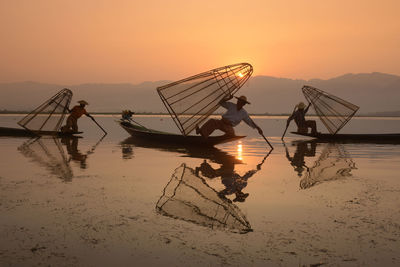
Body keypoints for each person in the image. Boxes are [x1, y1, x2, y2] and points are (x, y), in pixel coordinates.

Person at [196, 95, 263, 138]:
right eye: (238, 100)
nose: (239, 102)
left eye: (241, 102)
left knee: (231, 134)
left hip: (229, 126)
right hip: (221, 122)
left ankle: (217, 138)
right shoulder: (231, 105)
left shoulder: (244, 113)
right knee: (212, 121)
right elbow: (220, 102)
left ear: (244, 104)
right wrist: (228, 98)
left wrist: (258, 128)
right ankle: (202, 132)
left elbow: (250, 122)